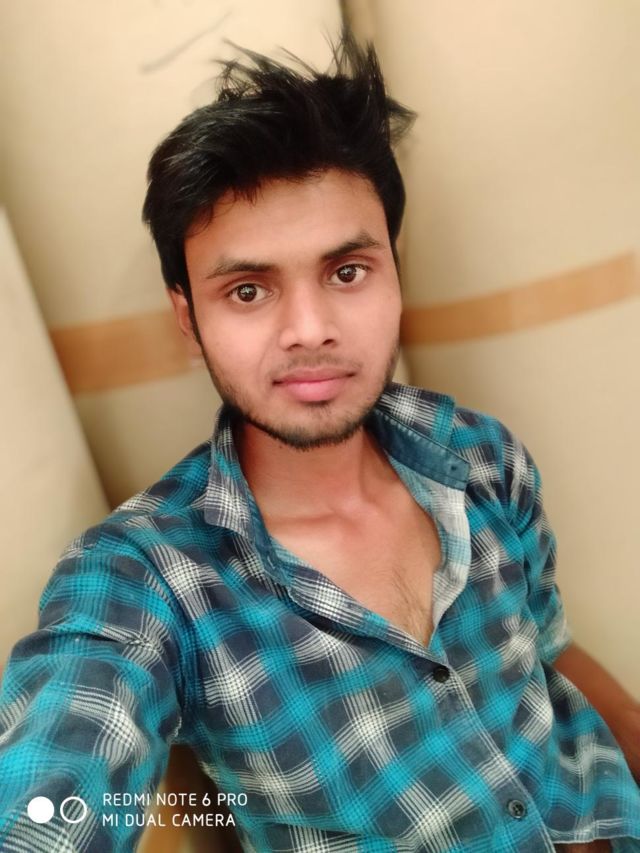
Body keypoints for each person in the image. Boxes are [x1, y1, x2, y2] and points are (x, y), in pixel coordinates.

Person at [0, 31, 638, 853]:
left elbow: (550, 652)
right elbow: (50, 801)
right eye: (248, 289)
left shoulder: (483, 457)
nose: (310, 330)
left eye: (346, 272)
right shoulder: (148, 579)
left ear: (394, 271)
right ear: (188, 318)